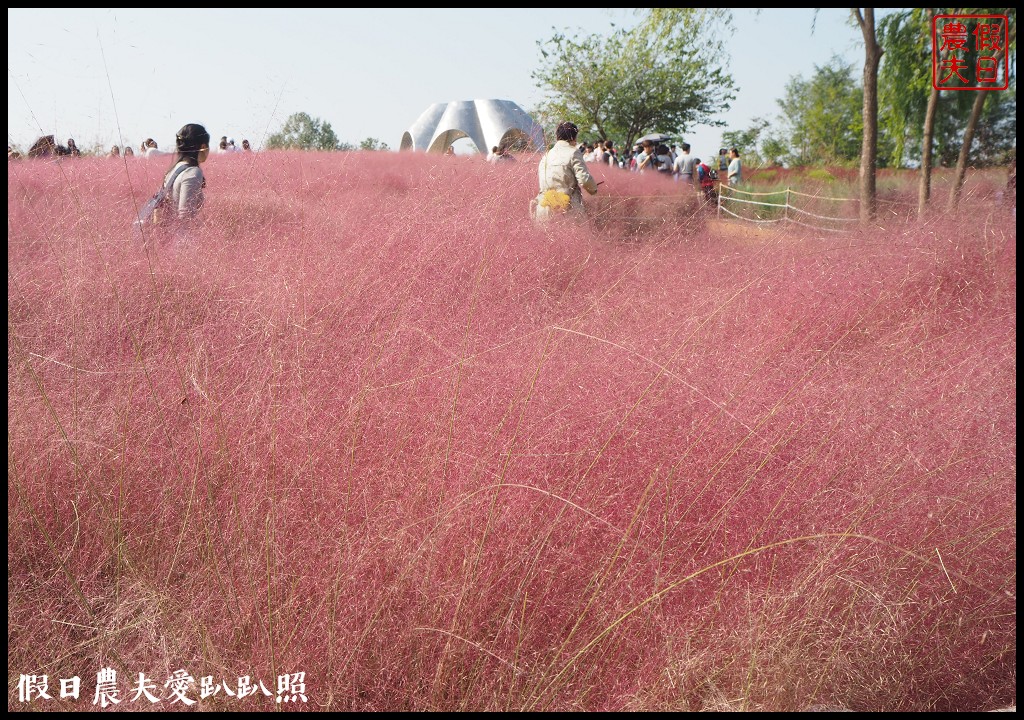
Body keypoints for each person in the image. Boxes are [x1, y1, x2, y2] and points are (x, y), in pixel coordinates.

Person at [530, 120, 598, 223]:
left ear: (557, 136)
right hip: (566, 210)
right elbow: (584, 180)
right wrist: (593, 189)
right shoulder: (573, 152)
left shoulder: (546, 156)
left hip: (543, 208)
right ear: (574, 137)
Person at [163, 123, 211, 223]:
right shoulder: (193, 172)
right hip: (183, 236)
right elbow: (186, 215)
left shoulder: (175, 169)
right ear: (203, 146)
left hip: (170, 233)